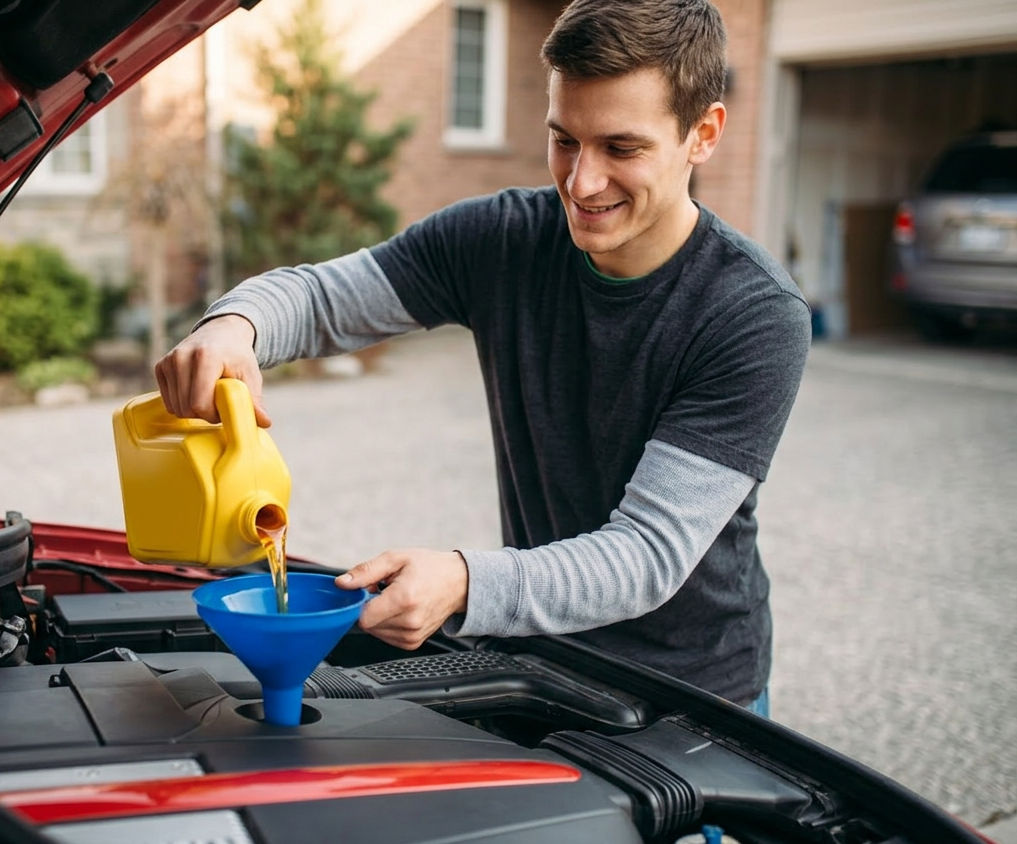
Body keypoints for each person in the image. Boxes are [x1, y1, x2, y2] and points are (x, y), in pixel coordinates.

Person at [154, 0, 811, 713]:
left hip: (695, 696)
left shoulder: (752, 314)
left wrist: (467, 581)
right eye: (564, 140)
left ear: (703, 134)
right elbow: (315, 299)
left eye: (621, 149)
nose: (582, 183)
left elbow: (646, 556)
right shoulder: (501, 241)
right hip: (537, 658)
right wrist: (235, 326)